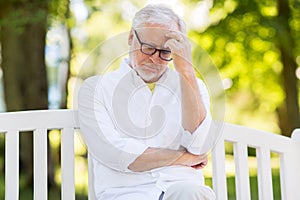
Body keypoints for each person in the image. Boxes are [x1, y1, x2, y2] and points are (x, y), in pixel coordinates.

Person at [78, 4, 216, 200]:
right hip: (127, 193)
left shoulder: (193, 86)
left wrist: (185, 69)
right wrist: (184, 158)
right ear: (131, 38)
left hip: (181, 189)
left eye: (165, 53)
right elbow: (114, 152)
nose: (155, 59)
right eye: (148, 48)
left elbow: (199, 146)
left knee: (191, 193)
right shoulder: (95, 89)